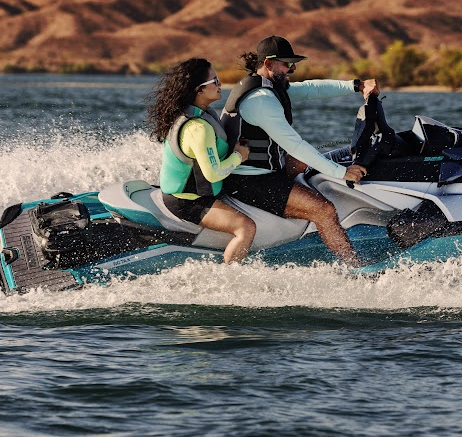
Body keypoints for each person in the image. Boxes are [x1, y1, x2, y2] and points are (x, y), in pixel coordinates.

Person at [218, 35, 377, 266]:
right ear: (268, 64)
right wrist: (341, 173)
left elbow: (311, 89)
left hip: (261, 171)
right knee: (324, 210)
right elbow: (295, 144)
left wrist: (357, 85)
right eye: (287, 63)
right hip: (249, 181)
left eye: (294, 63)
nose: (292, 68)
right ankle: (355, 267)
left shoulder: (269, 85)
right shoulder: (261, 100)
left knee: (304, 162)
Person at [147, 58, 257, 264]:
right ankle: (231, 279)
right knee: (246, 227)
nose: (220, 84)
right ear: (199, 90)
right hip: (187, 201)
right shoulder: (198, 127)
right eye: (214, 81)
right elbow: (213, 173)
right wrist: (238, 156)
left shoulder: (201, 114)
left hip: (192, 194)